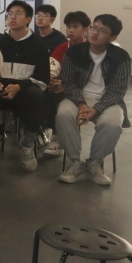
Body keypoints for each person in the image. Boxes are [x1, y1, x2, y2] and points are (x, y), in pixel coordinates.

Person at [57, 14, 130, 186]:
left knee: (112, 124)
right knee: (63, 115)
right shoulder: (73, 52)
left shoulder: (121, 57)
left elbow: (118, 90)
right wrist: (81, 104)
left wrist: (97, 109)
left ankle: (94, 163)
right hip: (78, 97)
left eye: (102, 30)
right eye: (94, 27)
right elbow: (68, 82)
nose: (95, 33)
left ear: (113, 37)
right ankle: (75, 162)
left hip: (108, 100)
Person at [0, 0, 50, 171]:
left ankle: (28, 143)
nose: (12, 17)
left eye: (18, 13)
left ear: (28, 19)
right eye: (10, 14)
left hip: (25, 90)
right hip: (0, 89)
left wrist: (19, 87)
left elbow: (43, 78)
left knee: (37, 95)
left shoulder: (38, 45)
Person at [44, 11, 91, 158]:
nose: (70, 30)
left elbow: (89, 77)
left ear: (85, 29)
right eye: (68, 26)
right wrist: (51, 80)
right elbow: (53, 67)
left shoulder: (91, 49)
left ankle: (58, 138)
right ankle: (48, 131)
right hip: (62, 84)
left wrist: (65, 86)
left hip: (84, 90)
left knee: (58, 96)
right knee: (47, 92)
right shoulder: (62, 47)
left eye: (75, 27)